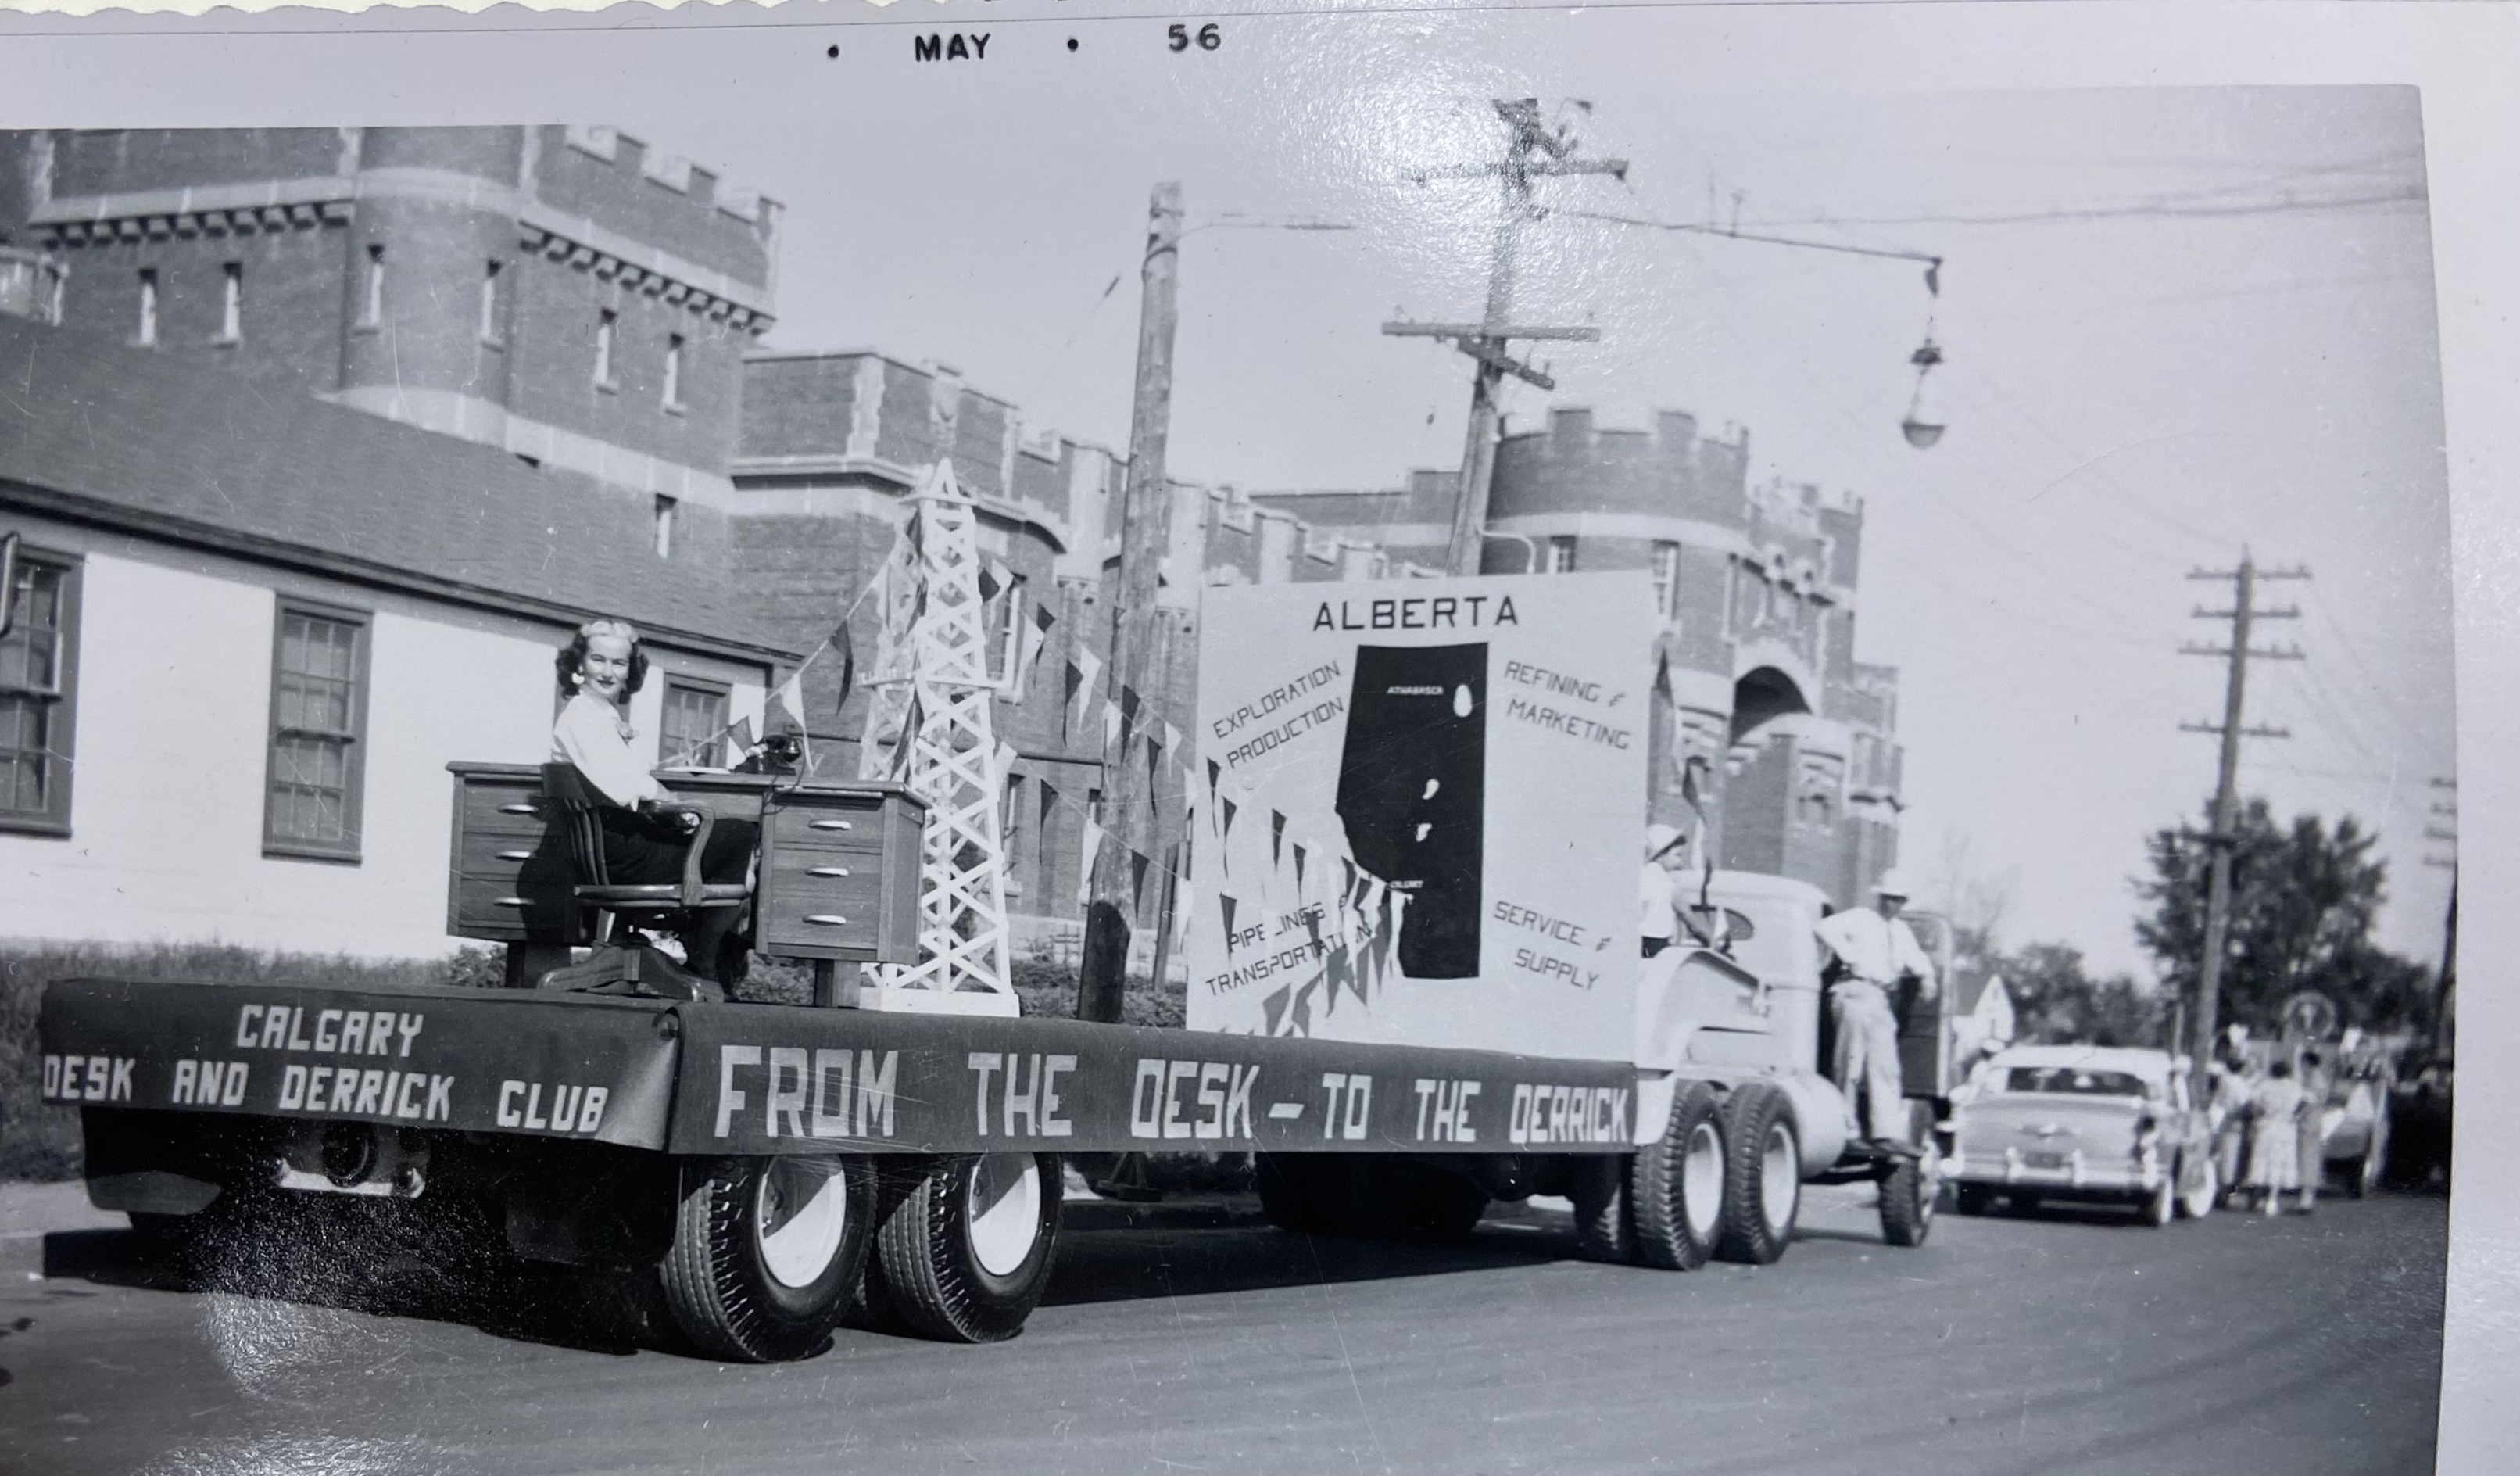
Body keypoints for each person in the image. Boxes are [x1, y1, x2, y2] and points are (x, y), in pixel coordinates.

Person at [551, 619, 759, 987]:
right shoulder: (583, 718)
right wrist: (678, 806)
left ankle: (699, 941)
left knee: (725, 842)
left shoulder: (599, 715)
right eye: (598, 660)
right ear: (579, 664)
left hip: (612, 848)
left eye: (619, 663)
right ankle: (706, 951)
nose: (608, 672)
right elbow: (630, 786)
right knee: (740, 835)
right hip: (620, 856)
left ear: (629, 671)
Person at [1813, 868, 1938, 1154]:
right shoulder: (1860, 918)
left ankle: (1886, 1132)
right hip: (1855, 990)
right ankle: (1846, 1131)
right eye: (1889, 898)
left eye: (1899, 899)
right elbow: (1823, 928)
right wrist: (1849, 954)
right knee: (1850, 1064)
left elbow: (1916, 957)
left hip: (1880, 997)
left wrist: (1927, 977)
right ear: (1880, 898)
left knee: (1886, 1067)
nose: (1893, 904)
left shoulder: (1900, 930)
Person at [2245, 1058, 2307, 1216]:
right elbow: (2305, 1101)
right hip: (2285, 1127)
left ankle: (2258, 1195)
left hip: (2268, 1125)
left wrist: (2261, 1113)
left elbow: (2254, 1103)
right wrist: (2295, 1115)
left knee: (2262, 1160)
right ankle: (2272, 1199)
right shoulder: (2294, 1087)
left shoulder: (2265, 1086)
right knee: (2279, 1162)